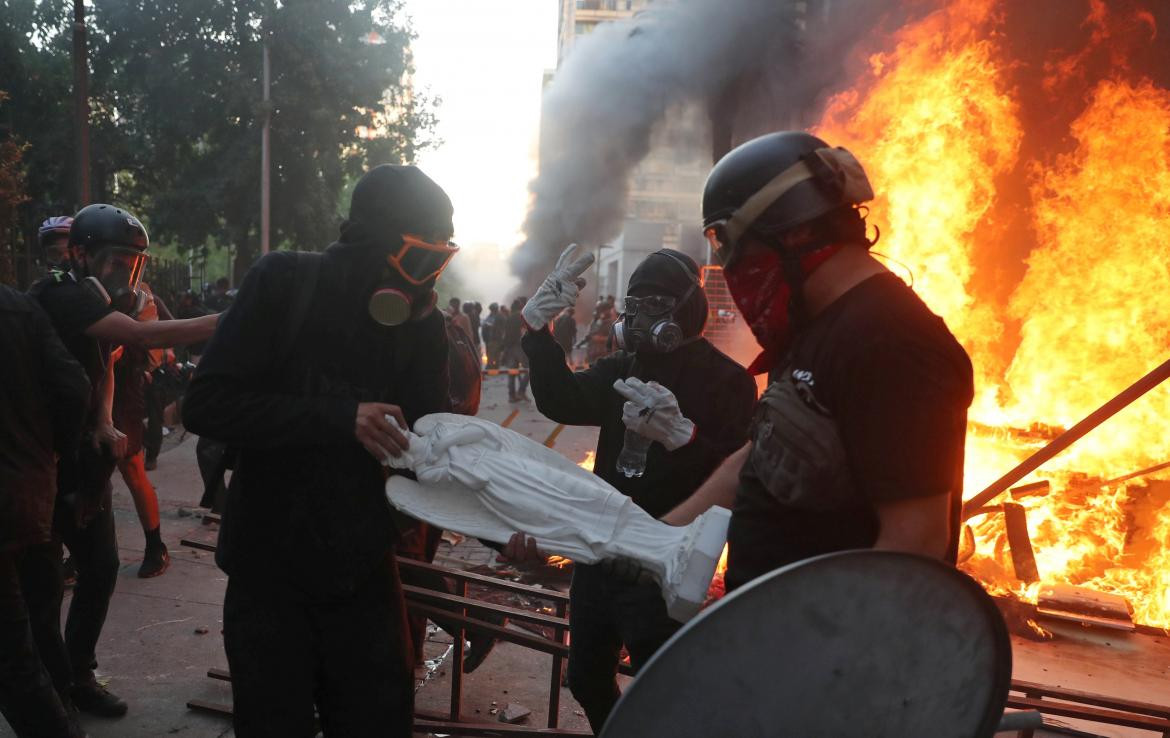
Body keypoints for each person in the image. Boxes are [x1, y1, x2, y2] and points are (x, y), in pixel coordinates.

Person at [183, 164, 454, 738]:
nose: (425, 281)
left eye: (439, 263)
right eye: (421, 261)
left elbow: (436, 447)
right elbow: (206, 405)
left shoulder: (416, 326)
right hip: (267, 573)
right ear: (382, 246)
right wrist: (338, 418)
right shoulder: (283, 282)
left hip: (363, 573)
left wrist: (509, 528)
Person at [663, 131, 973, 592]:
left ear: (797, 232)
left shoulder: (892, 339)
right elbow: (759, 457)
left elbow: (915, 541)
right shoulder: (817, 325)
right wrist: (654, 537)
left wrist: (823, 656)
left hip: (822, 650)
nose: (730, 266)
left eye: (729, 242)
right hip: (775, 632)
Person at [511, 245, 757, 731]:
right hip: (604, 549)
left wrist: (684, 438)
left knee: (661, 682)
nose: (642, 318)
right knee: (584, 677)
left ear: (686, 311)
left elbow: (740, 475)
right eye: (636, 305)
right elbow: (562, 400)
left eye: (657, 306)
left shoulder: (728, 382)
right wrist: (536, 332)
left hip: (667, 556)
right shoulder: (621, 367)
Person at [27, 203, 220, 719]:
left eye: (135, 266)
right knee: (43, 586)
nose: (127, 277)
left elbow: (105, 362)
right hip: (39, 462)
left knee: (102, 565)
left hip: (81, 456)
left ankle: (79, 672)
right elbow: (139, 337)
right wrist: (229, 321)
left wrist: (104, 420)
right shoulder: (63, 295)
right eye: (117, 263)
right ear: (82, 255)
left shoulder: (96, 306)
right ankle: (49, 693)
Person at [0, 284, 90, 738]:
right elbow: (75, 386)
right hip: (28, 494)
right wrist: (49, 453)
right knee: (30, 629)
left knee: (16, 663)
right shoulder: (19, 306)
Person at [111, 283, 171, 577]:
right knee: (85, 476)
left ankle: (155, 545)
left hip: (122, 391)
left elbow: (156, 346)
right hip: (85, 389)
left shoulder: (139, 294)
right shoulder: (64, 290)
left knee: (131, 467)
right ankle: (85, 552)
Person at [500, 296, 530, 402]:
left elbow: (505, 334)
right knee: (529, 369)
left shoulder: (509, 317)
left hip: (509, 347)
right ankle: (521, 391)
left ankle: (511, 396)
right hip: (519, 346)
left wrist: (504, 349)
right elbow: (525, 332)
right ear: (522, 306)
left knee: (512, 372)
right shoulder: (522, 316)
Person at [481, 302, 502, 368]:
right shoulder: (489, 316)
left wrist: (491, 326)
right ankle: (492, 366)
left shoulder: (499, 317)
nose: (492, 311)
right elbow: (484, 324)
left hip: (496, 338)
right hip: (489, 339)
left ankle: (494, 367)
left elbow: (501, 327)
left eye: (493, 309)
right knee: (490, 353)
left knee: (495, 354)